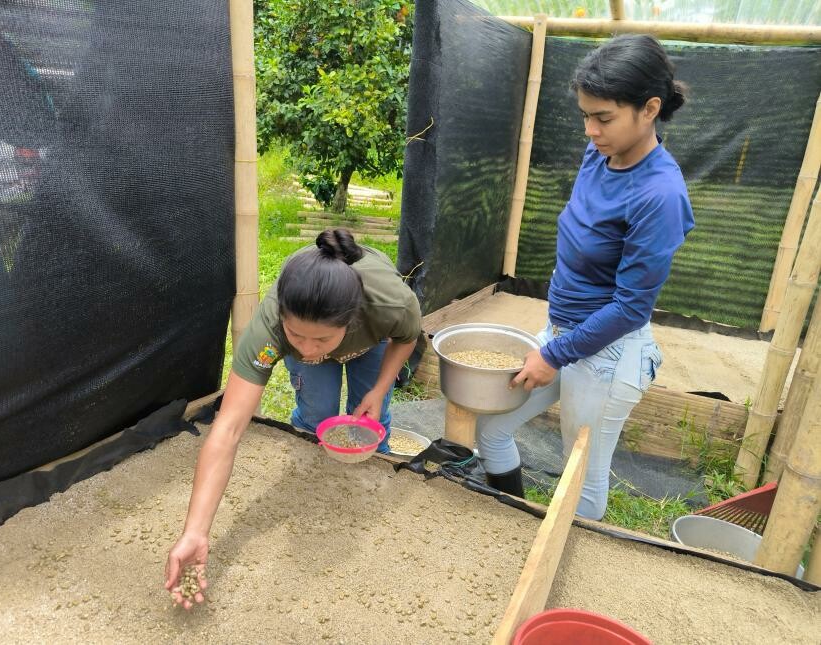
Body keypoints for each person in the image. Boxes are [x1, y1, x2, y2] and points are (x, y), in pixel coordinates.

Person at [476, 34, 694, 521]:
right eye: (585, 115)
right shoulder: (599, 153)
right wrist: (555, 340)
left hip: (608, 352)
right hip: (562, 333)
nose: (590, 130)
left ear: (649, 109)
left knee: (582, 478)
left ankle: (568, 569)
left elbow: (632, 306)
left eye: (603, 117)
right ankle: (510, 524)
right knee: (492, 431)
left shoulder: (659, 196)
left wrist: (554, 355)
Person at [165, 228, 422, 608]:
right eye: (295, 336)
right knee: (316, 416)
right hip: (319, 323)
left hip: (370, 344)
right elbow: (229, 428)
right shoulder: (271, 329)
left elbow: (407, 337)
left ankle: (363, 497)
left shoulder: (389, 305)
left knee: (372, 419)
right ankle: (312, 485)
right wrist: (195, 532)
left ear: (350, 322)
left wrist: (381, 388)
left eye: (320, 340)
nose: (306, 349)